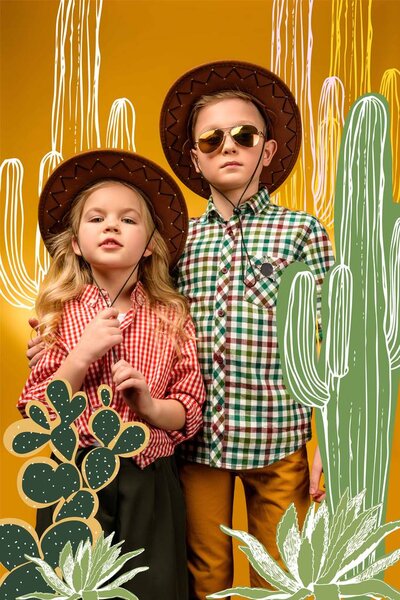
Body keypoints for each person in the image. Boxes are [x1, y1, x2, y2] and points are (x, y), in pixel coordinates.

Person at [159, 61, 335, 598]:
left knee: (282, 573)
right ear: (194, 158)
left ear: (268, 149)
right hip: (197, 441)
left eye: (243, 135)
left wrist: (330, 439)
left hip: (279, 436)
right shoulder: (176, 239)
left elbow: (335, 340)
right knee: (204, 571)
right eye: (211, 139)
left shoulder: (301, 230)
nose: (228, 146)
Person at [19, 149, 206, 600]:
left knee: (157, 586)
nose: (111, 226)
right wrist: (80, 355)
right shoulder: (58, 316)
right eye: (97, 219)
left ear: (148, 246)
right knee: (73, 586)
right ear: (77, 244)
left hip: (150, 476)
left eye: (128, 220)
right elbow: (38, 406)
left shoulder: (171, 317)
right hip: (75, 473)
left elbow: (190, 408)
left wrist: (149, 405)